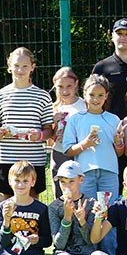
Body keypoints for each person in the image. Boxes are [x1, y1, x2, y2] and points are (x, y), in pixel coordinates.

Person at [63, 74, 124, 255]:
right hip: (85, 175)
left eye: (100, 95)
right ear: (84, 94)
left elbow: (120, 152)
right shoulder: (76, 119)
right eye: (91, 95)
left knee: (109, 215)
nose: (95, 99)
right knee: (87, 214)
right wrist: (85, 144)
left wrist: (118, 141)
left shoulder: (113, 119)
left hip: (109, 174)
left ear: (106, 96)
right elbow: (67, 149)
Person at [0, 47, 54, 196]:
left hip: (33, 160)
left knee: (31, 208)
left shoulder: (43, 96)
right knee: (5, 207)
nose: (20, 70)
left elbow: (49, 130)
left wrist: (40, 136)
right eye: (16, 65)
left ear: (32, 67)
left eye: (24, 66)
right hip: (4, 159)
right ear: (9, 66)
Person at [49, 160, 111, 255]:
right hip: (65, 253)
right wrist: (67, 217)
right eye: (63, 182)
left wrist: (82, 221)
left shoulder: (91, 203)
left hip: (86, 254)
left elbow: (91, 240)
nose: (66, 186)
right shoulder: (53, 207)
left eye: (71, 181)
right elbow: (58, 244)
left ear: (81, 179)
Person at [49, 67, 86, 199]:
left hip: (80, 153)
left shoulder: (85, 105)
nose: (65, 91)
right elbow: (50, 139)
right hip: (59, 153)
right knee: (61, 193)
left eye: (69, 86)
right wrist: (53, 123)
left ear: (76, 84)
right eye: (60, 86)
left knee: (80, 191)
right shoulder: (54, 107)